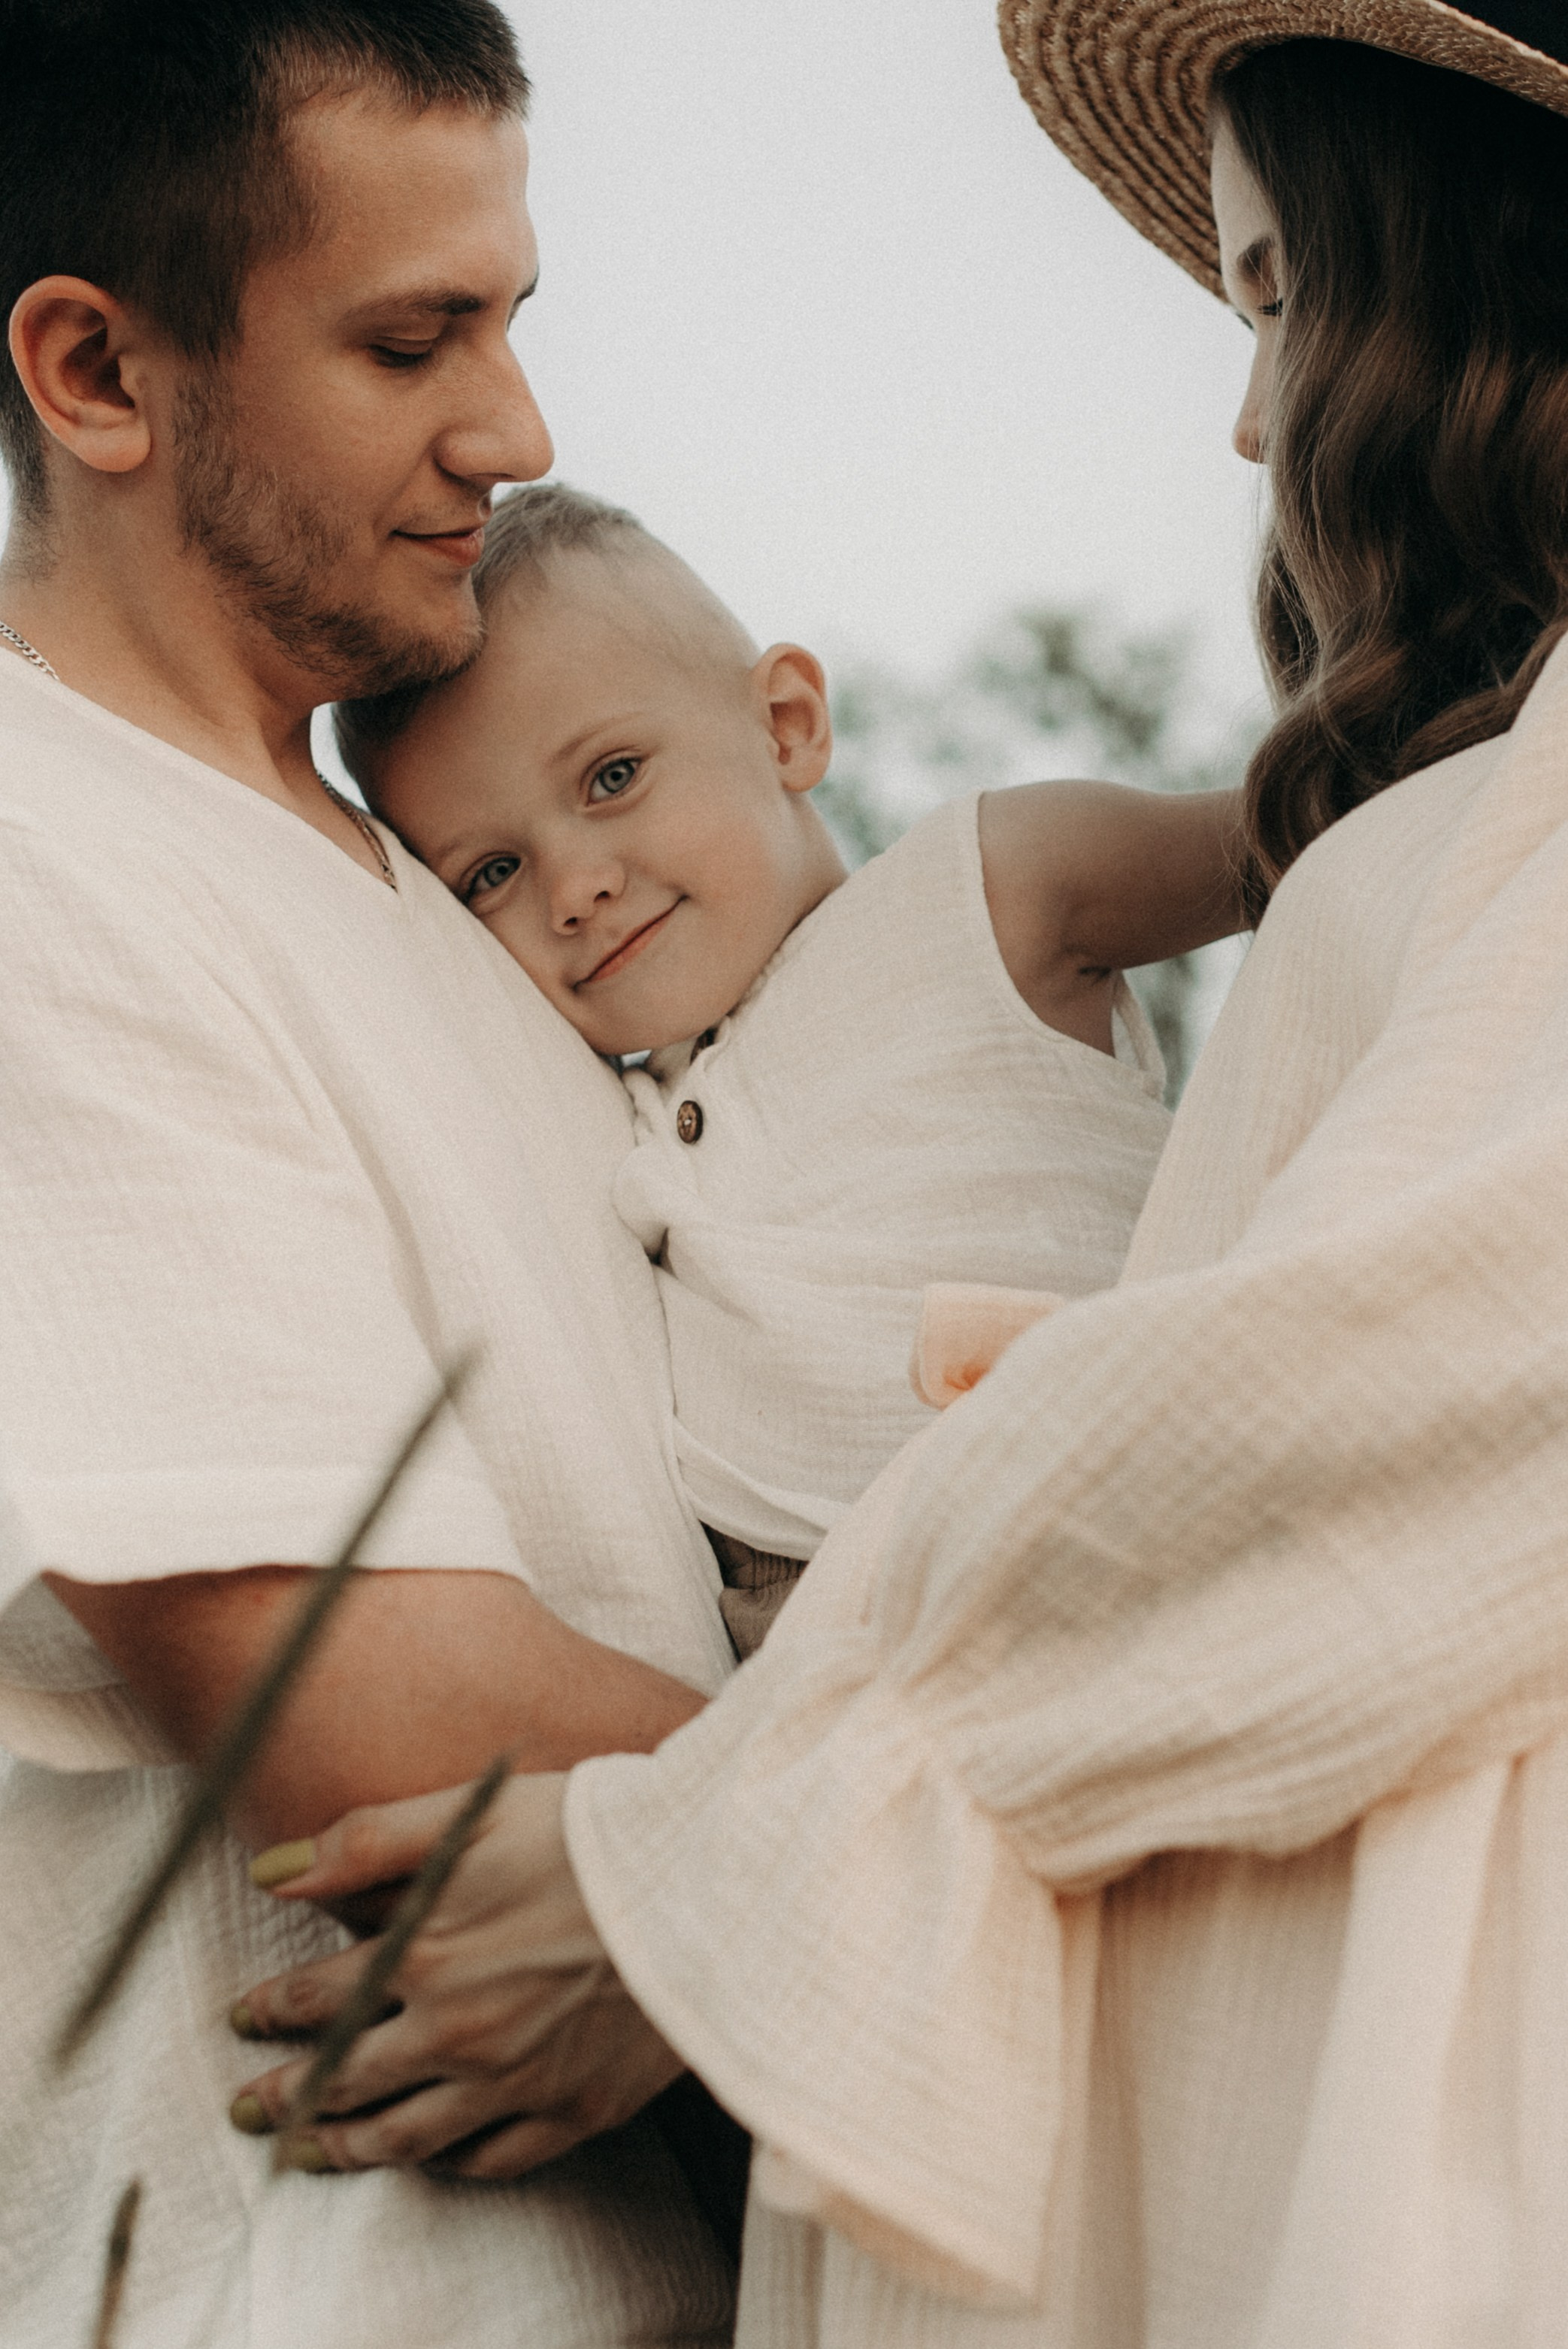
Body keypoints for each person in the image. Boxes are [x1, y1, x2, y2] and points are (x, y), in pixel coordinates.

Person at [230, 7, 1568, 2344]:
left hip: (1381, 2108)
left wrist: (722, 1863)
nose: (1244, 413)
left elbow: (1434, 1370)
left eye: (1269, 296)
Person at [0, 2, 740, 2342]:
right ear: (97, 374)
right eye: (413, 339)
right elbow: (381, 1712)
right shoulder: (34, 856)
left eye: (509, 319)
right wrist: (983, 1814)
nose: (514, 434)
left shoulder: (454, 897)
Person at [341, 482, 1239, 1652]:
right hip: (811, 1656)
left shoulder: (987, 895)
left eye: (612, 776)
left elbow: (1327, 822)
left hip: (1118, 1533)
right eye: (491, 872)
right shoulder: (605, 1115)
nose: (574, 887)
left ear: (786, 725)